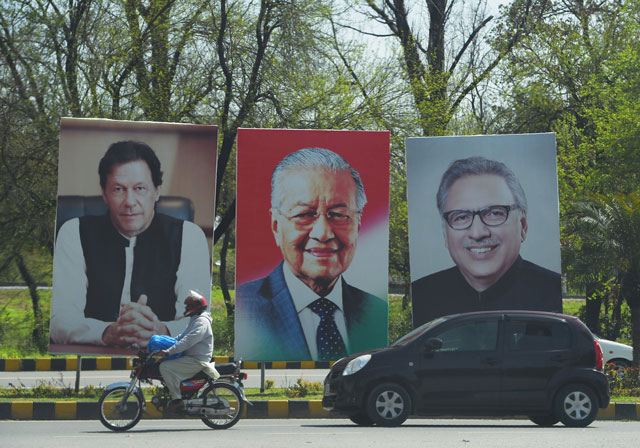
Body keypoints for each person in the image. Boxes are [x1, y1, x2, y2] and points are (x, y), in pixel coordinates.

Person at [50, 140, 211, 348]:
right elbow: (59, 322)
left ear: (157, 192)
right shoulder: (74, 232)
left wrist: (162, 332)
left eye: (140, 188)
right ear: (104, 193)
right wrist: (107, 332)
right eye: (118, 189)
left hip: (162, 358)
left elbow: (199, 321)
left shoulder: (189, 236)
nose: (130, 201)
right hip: (95, 355)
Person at [235, 147, 388, 361]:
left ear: (358, 225)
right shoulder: (246, 307)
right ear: (276, 226)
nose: (323, 233)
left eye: (339, 215)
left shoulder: (376, 310)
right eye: (305, 214)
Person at [411, 156, 562, 328]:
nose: (478, 233)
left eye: (494, 213)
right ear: (445, 234)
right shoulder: (422, 295)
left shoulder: (552, 293)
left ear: (523, 225)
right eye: (461, 217)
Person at [158, 290, 220, 414]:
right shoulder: (196, 319)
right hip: (191, 358)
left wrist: (169, 351)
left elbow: (188, 341)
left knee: (165, 367)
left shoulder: (202, 322)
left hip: (197, 360)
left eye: (188, 306)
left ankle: (177, 400)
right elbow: (183, 337)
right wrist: (167, 342)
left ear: (195, 307)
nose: (186, 308)